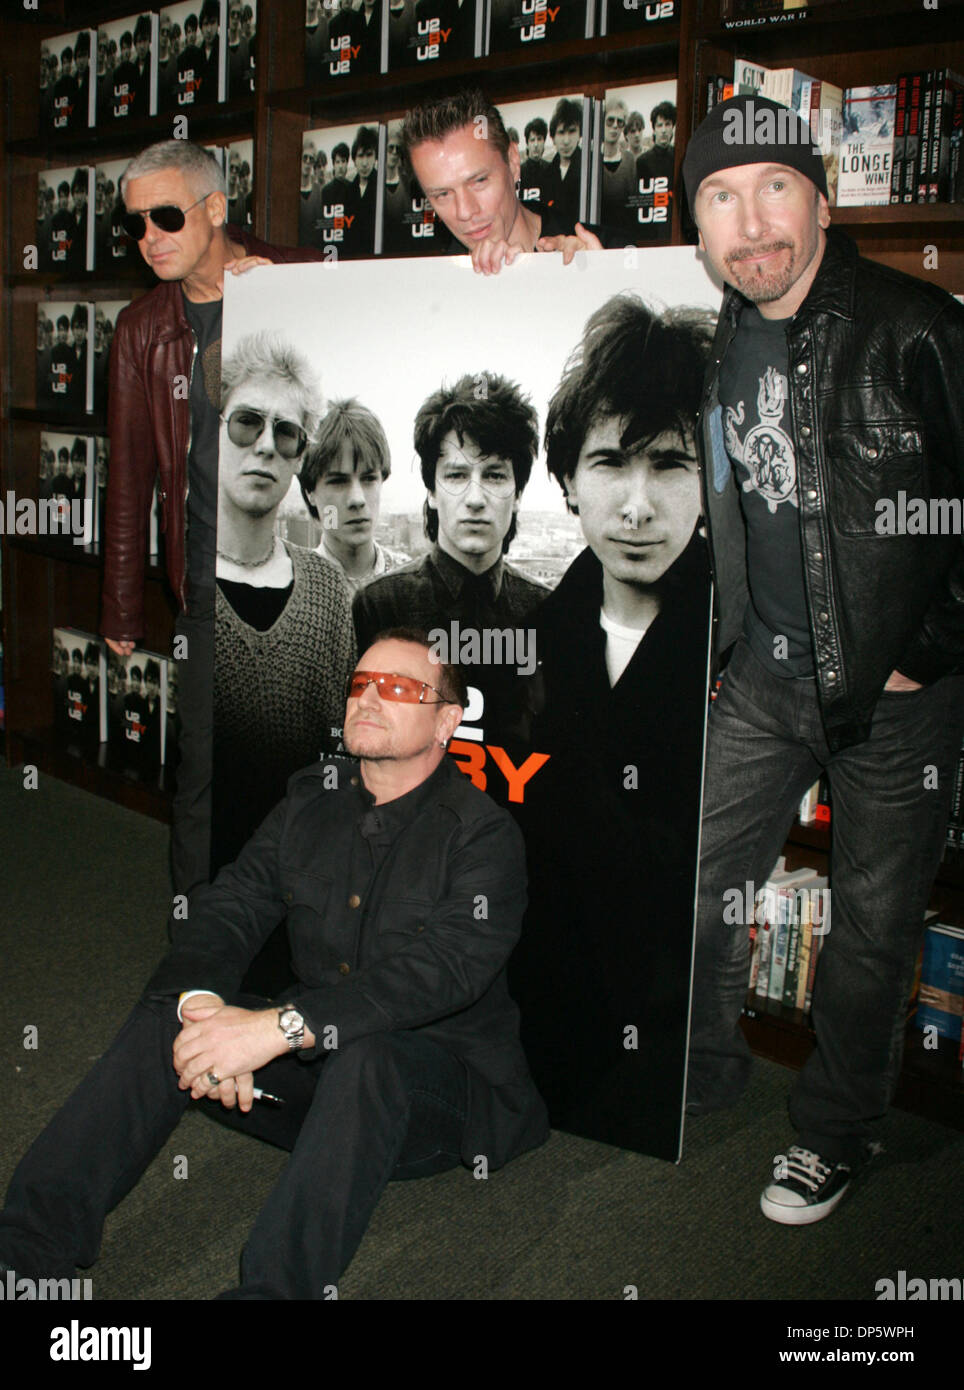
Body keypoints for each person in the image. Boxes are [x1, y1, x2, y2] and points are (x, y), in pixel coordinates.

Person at [0, 630, 549, 1300]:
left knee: (369, 1056)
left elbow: (442, 971)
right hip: (317, 1079)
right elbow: (231, 905)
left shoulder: (484, 835)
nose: (370, 696)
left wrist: (275, 1030)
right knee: (170, 1019)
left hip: (428, 1102)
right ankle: (25, 1258)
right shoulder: (310, 799)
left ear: (447, 720)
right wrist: (203, 1009)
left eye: (400, 687)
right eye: (360, 684)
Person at [681, 95, 964, 1223]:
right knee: (694, 880)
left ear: (821, 198)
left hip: (894, 697)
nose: (748, 223)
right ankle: (697, 1073)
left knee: (872, 921)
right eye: (718, 196)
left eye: (772, 187)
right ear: (694, 225)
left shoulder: (917, 325)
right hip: (761, 674)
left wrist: (927, 647)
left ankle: (834, 1133)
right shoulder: (711, 334)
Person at [514, 294, 715, 1157]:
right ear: (566, 480)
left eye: (671, 464)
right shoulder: (539, 633)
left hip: (675, 1025)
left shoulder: (739, 630)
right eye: (609, 462)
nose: (637, 506)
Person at [100, 139, 320, 897]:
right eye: (135, 225)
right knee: (201, 778)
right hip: (201, 585)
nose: (150, 238)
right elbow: (127, 478)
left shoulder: (294, 276)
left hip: (297, 575)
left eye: (165, 216)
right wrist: (122, 606)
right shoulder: (139, 329)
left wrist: (290, 289)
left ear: (216, 208)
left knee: (304, 769)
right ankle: (196, 958)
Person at [212, 333, 355, 887]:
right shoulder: (177, 580)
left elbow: (341, 746)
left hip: (305, 869)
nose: (266, 446)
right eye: (247, 422)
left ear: (299, 458)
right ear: (214, 431)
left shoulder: (325, 587)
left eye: (287, 433)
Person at [353, 372, 546, 754]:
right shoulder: (378, 606)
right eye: (456, 475)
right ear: (431, 491)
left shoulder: (547, 613)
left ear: (518, 492)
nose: (475, 498)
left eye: (494, 475)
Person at [401, 87, 611, 275]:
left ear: (512, 162)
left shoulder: (605, 250)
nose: (465, 212)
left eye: (479, 181)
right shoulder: (436, 288)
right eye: (443, 194)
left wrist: (600, 286)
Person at [298, 398, 409, 592]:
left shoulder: (411, 581)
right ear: (310, 493)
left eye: (368, 479)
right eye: (338, 481)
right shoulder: (296, 587)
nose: (357, 499)